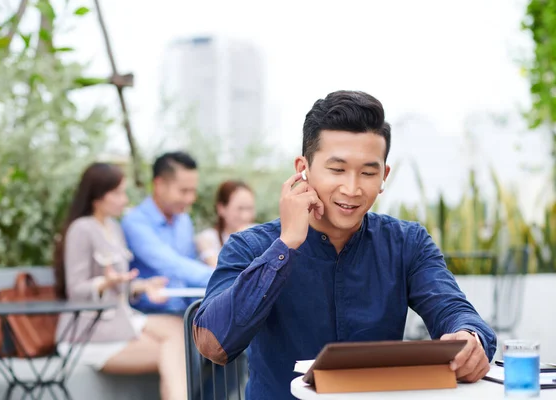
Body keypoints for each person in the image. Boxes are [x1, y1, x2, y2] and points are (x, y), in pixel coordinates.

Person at [192, 90, 497, 399]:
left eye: (367, 172)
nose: (352, 189)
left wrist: (468, 337)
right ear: (303, 168)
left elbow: (453, 309)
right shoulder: (250, 246)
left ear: (383, 176)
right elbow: (213, 344)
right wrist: (286, 245)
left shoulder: (408, 243)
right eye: (337, 170)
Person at [53, 162, 187, 400]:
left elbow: (119, 284)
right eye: (118, 193)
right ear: (97, 196)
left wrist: (143, 286)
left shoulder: (113, 228)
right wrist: (104, 284)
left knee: (178, 331)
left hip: (120, 320)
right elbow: (76, 290)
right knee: (174, 353)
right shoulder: (81, 229)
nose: (124, 200)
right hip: (90, 333)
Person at [122, 151, 214, 314]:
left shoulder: (183, 220)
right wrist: (223, 276)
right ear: (159, 185)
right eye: (184, 191)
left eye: (193, 191)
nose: (190, 198)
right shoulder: (136, 222)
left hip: (186, 314)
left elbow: (190, 265)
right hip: (150, 315)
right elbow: (172, 264)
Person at [195, 180, 256, 267]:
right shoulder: (207, 239)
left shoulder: (261, 234)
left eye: (249, 208)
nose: (245, 216)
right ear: (221, 208)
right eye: (240, 208)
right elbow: (220, 271)